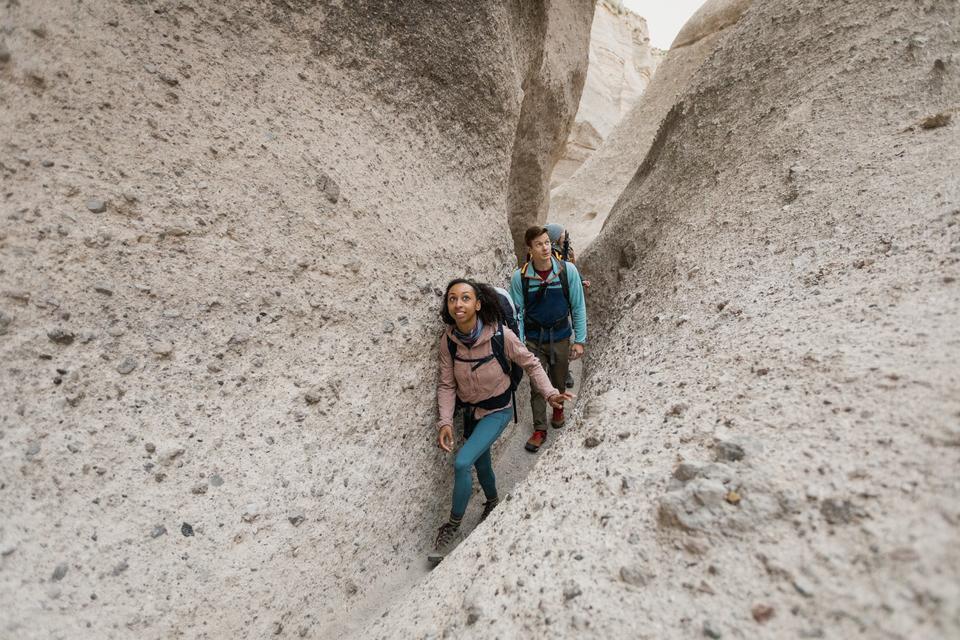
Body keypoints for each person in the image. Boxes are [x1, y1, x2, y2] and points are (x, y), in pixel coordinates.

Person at [433, 279, 573, 556]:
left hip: (498, 410)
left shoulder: (501, 335)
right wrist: (446, 421)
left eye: (465, 298)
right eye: (452, 299)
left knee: (463, 463)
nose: (458, 304)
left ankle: (452, 526)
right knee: (482, 462)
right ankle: (493, 502)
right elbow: (447, 385)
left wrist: (550, 394)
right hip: (472, 413)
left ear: (478, 304)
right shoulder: (448, 342)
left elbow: (531, 363)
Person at [510, 226, 588, 453]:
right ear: (530, 249)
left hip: (561, 335)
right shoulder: (521, 278)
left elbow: (578, 305)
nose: (545, 248)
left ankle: (558, 409)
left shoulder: (567, 271)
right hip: (534, 339)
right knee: (536, 385)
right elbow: (518, 313)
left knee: (559, 377)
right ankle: (539, 429)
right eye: (539, 244)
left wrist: (580, 340)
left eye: (546, 242)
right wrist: (520, 342)